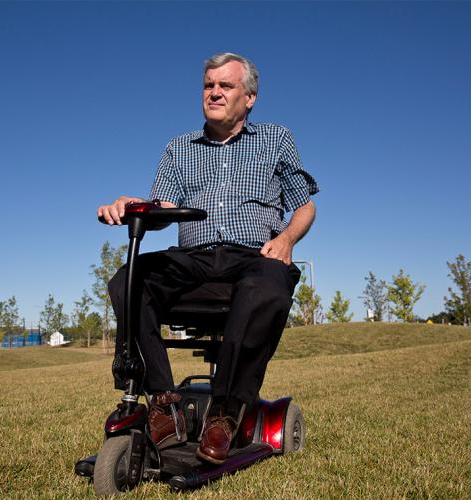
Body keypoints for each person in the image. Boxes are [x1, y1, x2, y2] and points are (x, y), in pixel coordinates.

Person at [97, 52, 318, 465]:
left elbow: (304, 206)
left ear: (249, 97)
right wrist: (133, 205)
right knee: (128, 280)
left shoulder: (275, 139)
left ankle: (225, 412)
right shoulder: (179, 148)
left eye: (226, 85)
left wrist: (287, 239)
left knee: (265, 286)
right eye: (208, 85)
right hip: (193, 257)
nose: (214, 92)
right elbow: (161, 208)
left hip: (253, 255)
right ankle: (163, 402)